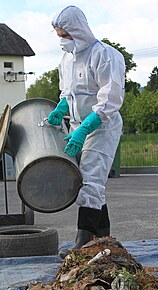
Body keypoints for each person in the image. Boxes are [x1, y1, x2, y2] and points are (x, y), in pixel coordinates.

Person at [47, 5, 125, 259]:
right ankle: (103, 237)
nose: (62, 40)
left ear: (77, 31)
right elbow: (67, 92)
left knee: (90, 180)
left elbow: (110, 99)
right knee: (86, 180)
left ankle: (83, 242)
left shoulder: (105, 55)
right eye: (59, 35)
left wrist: (86, 129)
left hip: (101, 125)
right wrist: (61, 108)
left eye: (65, 35)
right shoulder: (66, 60)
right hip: (77, 125)